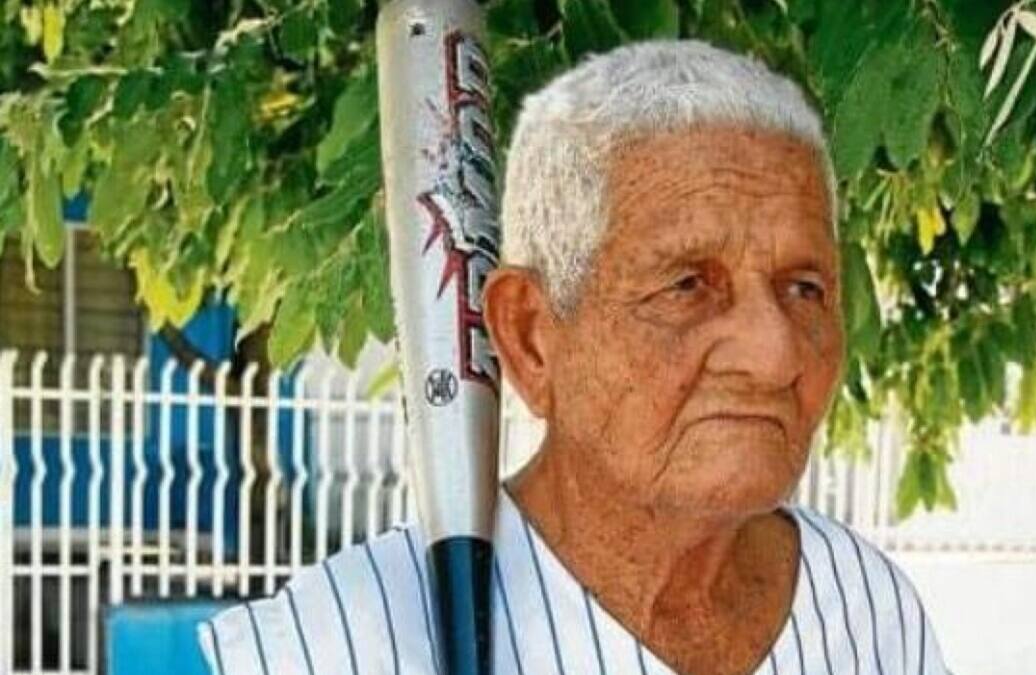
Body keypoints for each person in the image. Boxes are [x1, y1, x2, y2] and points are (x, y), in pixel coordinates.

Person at [198, 40, 950, 675]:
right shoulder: (333, 643)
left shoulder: (865, 608)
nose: (774, 352)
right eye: (687, 285)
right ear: (530, 336)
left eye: (805, 288)